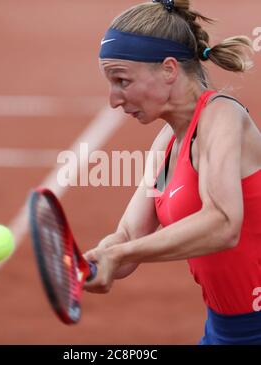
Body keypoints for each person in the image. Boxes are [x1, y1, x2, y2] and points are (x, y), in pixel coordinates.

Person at [83, 0, 261, 345]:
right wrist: (97, 259)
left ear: (168, 69)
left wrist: (119, 254)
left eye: (122, 80)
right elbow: (129, 234)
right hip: (225, 331)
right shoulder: (165, 147)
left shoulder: (222, 117)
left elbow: (224, 224)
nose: (114, 99)